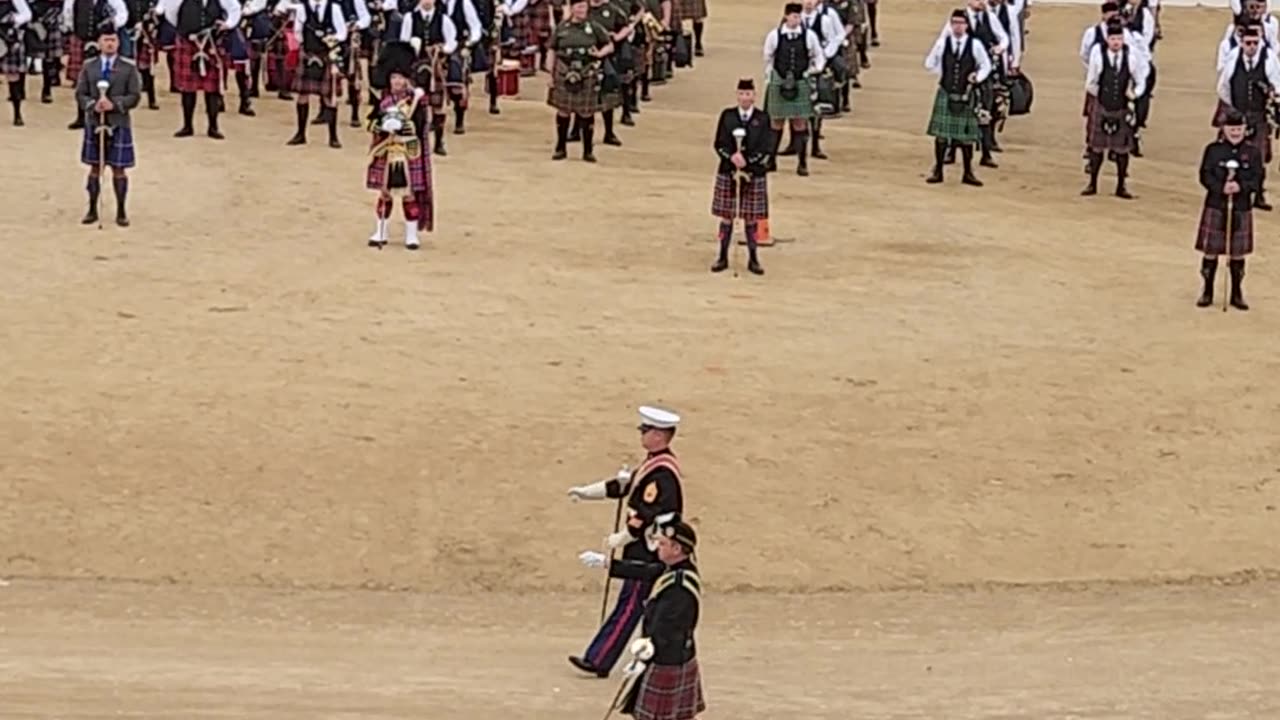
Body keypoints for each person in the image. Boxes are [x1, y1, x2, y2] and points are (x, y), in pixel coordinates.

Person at [565, 405, 684, 679]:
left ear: (660, 435)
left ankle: (601, 659)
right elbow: (623, 486)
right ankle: (605, 657)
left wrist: (622, 537)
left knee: (631, 604)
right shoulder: (652, 463)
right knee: (635, 604)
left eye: (646, 431)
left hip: (650, 548)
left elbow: (646, 512)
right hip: (644, 545)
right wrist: (587, 492)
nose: (642, 435)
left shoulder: (662, 472)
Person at [580, 513, 705, 720]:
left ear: (677, 549)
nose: (658, 547)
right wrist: (607, 563)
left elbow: (668, 627)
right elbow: (644, 571)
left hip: (667, 658)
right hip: (672, 654)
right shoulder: (673, 569)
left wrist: (645, 655)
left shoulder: (679, 586)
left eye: (663, 543)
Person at [365, 40, 433, 249]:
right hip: (387, 150)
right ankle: (381, 231)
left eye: (400, 78)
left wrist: (404, 127)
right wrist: (383, 126)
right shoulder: (383, 102)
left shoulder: (416, 102)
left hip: (408, 152)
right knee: (385, 192)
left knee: (409, 193)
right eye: (393, 77)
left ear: (406, 80)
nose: (396, 81)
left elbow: (422, 126)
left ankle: (411, 235)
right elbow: (371, 123)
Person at [74, 26, 141, 226]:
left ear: (118, 43)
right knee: (95, 167)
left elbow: (135, 96)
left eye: (113, 40)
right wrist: (92, 105)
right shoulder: (89, 66)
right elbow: (80, 93)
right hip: (95, 122)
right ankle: (92, 209)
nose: (110, 43)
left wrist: (115, 104)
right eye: (106, 40)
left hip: (118, 123)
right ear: (99, 42)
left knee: (119, 169)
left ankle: (121, 210)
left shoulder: (129, 67)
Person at [1195, 110, 1261, 310]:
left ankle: (1237, 293)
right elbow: (1205, 175)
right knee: (1211, 251)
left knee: (1238, 253)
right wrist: (1220, 187)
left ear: (1244, 130)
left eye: (1239, 129)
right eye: (1232, 129)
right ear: (1224, 129)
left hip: (1241, 207)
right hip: (1216, 204)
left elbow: (1257, 178)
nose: (1235, 132)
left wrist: (1241, 186)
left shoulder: (1253, 152)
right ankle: (1207, 291)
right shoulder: (1213, 150)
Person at [710, 78, 771, 275]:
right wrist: (732, 157)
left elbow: (766, 147)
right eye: (742, 94)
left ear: (754, 96)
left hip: (753, 173)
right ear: (737, 95)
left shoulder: (762, 119)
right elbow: (719, 144)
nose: (745, 98)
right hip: (729, 171)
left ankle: (753, 259)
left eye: (748, 94)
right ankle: (722, 256)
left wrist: (748, 161)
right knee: (726, 217)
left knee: (751, 219)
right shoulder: (727, 116)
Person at [1214, 26, 1278, 210]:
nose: (1252, 47)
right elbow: (1223, 87)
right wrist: (1233, 109)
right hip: (1238, 114)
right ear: (1241, 42)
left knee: (1257, 156)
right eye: (1248, 43)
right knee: (1228, 153)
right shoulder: (1233, 58)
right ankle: (1227, 190)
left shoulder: (1269, 58)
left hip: (1258, 115)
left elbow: (1278, 84)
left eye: (1255, 43)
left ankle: (1258, 194)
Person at [924, 9, 991, 186]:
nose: (957, 26)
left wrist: (977, 76)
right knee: (941, 137)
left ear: (967, 25)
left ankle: (968, 172)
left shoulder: (975, 45)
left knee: (966, 137)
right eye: (954, 22)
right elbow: (929, 63)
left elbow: (986, 65)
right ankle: (938, 170)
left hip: (965, 94)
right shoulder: (942, 43)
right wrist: (942, 72)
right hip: (946, 91)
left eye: (960, 23)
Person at [156, 0, 241, 139]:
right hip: (188, 41)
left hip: (211, 43)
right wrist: (184, 29)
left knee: (212, 90)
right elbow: (171, 14)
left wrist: (228, 24)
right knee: (187, 89)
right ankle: (187, 126)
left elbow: (235, 8)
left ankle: (213, 127)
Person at [1082, 22, 1147, 198]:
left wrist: (1134, 94)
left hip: (1122, 107)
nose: (1116, 42)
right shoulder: (1098, 54)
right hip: (1103, 104)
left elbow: (1141, 79)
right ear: (1107, 39)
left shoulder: (1131, 55)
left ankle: (1121, 186)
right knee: (1096, 148)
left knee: (1122, 150)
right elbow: (1091, 83)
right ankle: (1092, 184)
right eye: (1113, 39)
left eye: (1119, 38)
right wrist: (1103, 97)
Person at [763, 2, 824, 176]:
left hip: (800, 81)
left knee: (800, 123)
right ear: (786, 16)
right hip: (779, 80)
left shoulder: (809, 36)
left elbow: (818, 55)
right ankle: (771, 160)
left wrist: (813, 71)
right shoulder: (775, 35)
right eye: (794, 16)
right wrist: (770, 78)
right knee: (776, 122)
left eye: (799, 16)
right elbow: (768, 57)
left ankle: (802, 163)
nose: (796, 19)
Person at [546, 0, 612, 162]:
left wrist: (599, 54)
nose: (582, 10)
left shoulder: (594, 27)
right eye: (579, 6)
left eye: (584, 6)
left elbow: (609, 45)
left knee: (586, 112)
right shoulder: (562, 28)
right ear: (572, 8)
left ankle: (588, 150)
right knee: (563, 110)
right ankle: (560, 147)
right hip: (564, 71)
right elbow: (552, 50)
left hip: (586, 71)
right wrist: (550, 74)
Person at [282, 0, 348, 147]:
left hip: (327, 55)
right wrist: (306, 48)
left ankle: (333, 137)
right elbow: (298, 32)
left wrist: (332, 39)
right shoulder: (302, 8)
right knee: (302, 95)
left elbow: (342, 32)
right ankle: (300, 134)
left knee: (330, 97)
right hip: (308, 54)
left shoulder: (334, 8)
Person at [400, 0, 458, 155]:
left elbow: (452, 41)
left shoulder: (443, 19)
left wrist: (442, 49)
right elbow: (404, 40)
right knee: (414, 104)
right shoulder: (409, 18)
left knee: (438, 106)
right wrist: (412, 46)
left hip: (436, 66)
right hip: (415, 65)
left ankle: (439, 141)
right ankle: (416, 140)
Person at [62, 0, 129, 128]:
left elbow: (122, 14)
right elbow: (68, 15)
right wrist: (74, 29)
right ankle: (81, 117)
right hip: (81, 39)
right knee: (82, 82)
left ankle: (106, 116)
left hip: (102, 41)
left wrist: (113, 24)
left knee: (105, 79)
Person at [587, 0, 631, 144]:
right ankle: (576, 130)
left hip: (609, 59)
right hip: (587, 59)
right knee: (584, 98)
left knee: (608, 97)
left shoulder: (612, 10)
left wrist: (617, 37)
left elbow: (626, 27)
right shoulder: (583, 8)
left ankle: (609, 133)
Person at [440, 0, 480, 135]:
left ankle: (459, 119)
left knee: (457, 76)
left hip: (459, 46)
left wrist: (471, 42)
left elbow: (475, 26)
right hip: (437, 46)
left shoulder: (464, 3)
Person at [2, 0, 33, 125]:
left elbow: (27, 15)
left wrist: (13, 19)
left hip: (9, 39)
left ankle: (17, 114)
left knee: (13, 78)